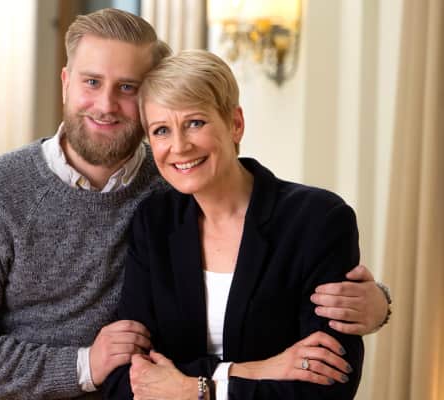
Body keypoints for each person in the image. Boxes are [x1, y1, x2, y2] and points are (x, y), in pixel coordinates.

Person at [0, 8, 390, 400]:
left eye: (127, 87)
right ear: (66, 82)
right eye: (91, 81)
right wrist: (86, 365)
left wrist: (379, 303)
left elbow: (283, 252)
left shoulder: (169, 188)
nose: (106, 104)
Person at [103, 50, 365, 400]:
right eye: (161, 130)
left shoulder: (317, 220)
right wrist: (254, 370)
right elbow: (125, 382)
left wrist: (196, 390)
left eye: (195, 123)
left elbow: (329, 383)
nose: (179, 146)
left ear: (235, 124)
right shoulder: (154, 222)